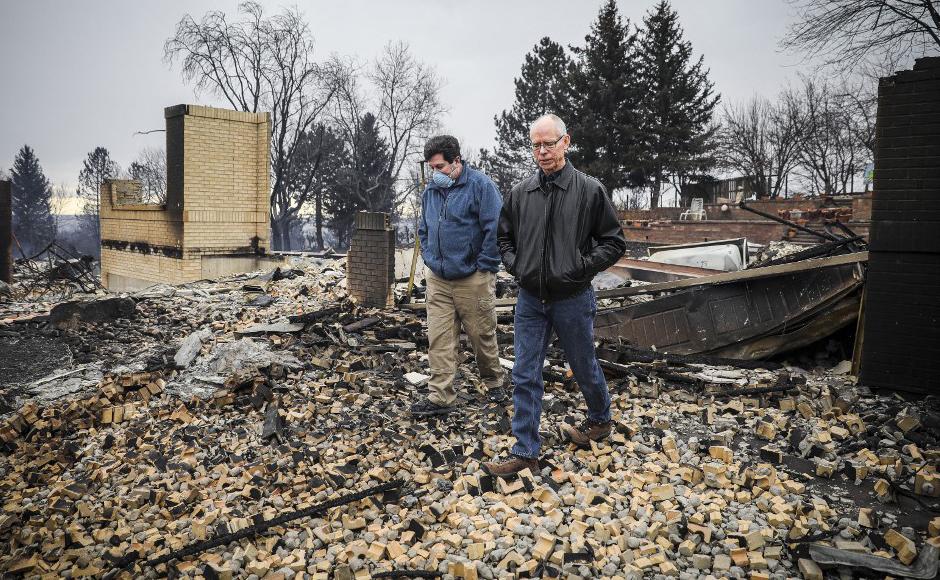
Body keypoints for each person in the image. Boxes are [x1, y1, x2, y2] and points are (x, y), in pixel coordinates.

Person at [483, 114, 627, 476]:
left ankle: (600, 418)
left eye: (550, 143)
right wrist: (519, 266)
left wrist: (579, 267)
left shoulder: (589, 190)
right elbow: (504, 239)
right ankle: (525, 451)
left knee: (582, 365)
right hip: (531, 299)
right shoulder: (521, 193)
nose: (543, 151)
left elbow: (613, 242)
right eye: (536, 145)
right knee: (525, 372)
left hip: (573, 297)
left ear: (566, 141)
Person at [412, 135, 507, 416]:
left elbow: (497, 229)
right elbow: (424, 230)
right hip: (439, 279)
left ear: (456, 162)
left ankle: (494, 381)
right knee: (439, 339)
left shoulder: (481, 186)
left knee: (481, 335)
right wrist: (430, 258)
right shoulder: (430, 192)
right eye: (431, 167)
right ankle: (440, 397)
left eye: (440, 166)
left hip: (473, 279)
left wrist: (484, 265)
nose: (435, 173)